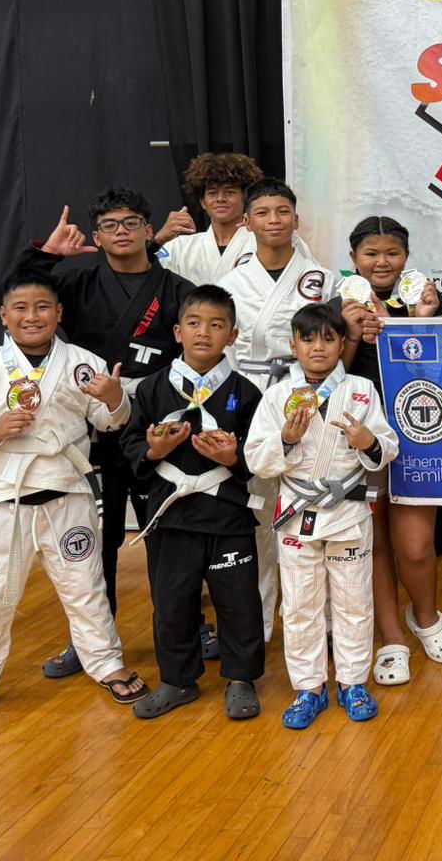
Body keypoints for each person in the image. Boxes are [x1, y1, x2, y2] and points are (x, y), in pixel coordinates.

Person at [0, 273, 147, 734]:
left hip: (68, 494)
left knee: (86, 589)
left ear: (59, 313)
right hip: (6, 501)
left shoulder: (82, 363)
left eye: (43, 307)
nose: (33, 316)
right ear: (4, 316)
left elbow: (111, 422)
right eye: (22, 308)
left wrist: (116, 402)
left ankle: (106, 663)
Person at [14, 191, 196, 678]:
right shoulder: (75, 283)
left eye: (131, 222)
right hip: (92, 427)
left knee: (168, 532)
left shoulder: (177, 288)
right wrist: (48, 255)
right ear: (96, 237)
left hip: (157, 425)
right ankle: (92, 638)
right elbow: (13, 297)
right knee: (96, 539)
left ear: (147, 229)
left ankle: (182, 628)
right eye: (110, 225)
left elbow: (197, 354)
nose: (121, 231)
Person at [244, 303, 399, 729]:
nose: (318, 347)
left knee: (353, 600)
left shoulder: (362, 390)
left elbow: (388, 447)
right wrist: (286, 440)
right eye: (308, 338)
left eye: (329, 338)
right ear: (292, 344)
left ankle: (352, 682)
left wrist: (368, 441)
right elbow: (256, 458)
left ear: (342, 343)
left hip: (348, 510)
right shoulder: (277, 396)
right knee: (300, 605)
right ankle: (309, 687)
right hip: (298, 512)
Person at [120, 285, 266, 721]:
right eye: (195, 323)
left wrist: (233, 457)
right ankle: (177, 679)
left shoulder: (246, 391)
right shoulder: (151, 389)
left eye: (217, 325)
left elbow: (261, 454)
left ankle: (241, 679)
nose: (205, 332)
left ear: (233, 336)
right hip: (172, 513)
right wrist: (154, 451)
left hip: (227, 513)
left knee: (239, 600)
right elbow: (131, 444)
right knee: (172, 600)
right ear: (178, 332)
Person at [332, 215, 442, 688]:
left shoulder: (425, 297)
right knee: (376, 545)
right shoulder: (340, 305)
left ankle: (425, 617)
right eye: (371, 254)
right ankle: (391, 638)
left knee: (417, 545)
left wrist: (426, 322)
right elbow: (330, 378)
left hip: (420, 435)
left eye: (392, 253)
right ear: (353, 260)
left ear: (406, 257)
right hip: (360, 443)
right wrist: (346, 334)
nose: (382, 262)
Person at [219, 177, 339, 642]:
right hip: (251, 395)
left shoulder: (323, 280)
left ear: (296, 218)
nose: (274, 221)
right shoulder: (228, 283)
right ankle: (260, 622)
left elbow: (335, 345)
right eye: (263, 213)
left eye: (282, 212)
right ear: (246, 223)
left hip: (308, 393)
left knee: (312, 504)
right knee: (258, 514)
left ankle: (316, 621)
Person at [153, 152, 265, 284]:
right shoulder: (180, 247)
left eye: (230, 192)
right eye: (212, 193)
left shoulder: (263, 242)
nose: (220, 199)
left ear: (245, 199)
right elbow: (139, 276)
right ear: (203, 202)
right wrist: (158, 241)